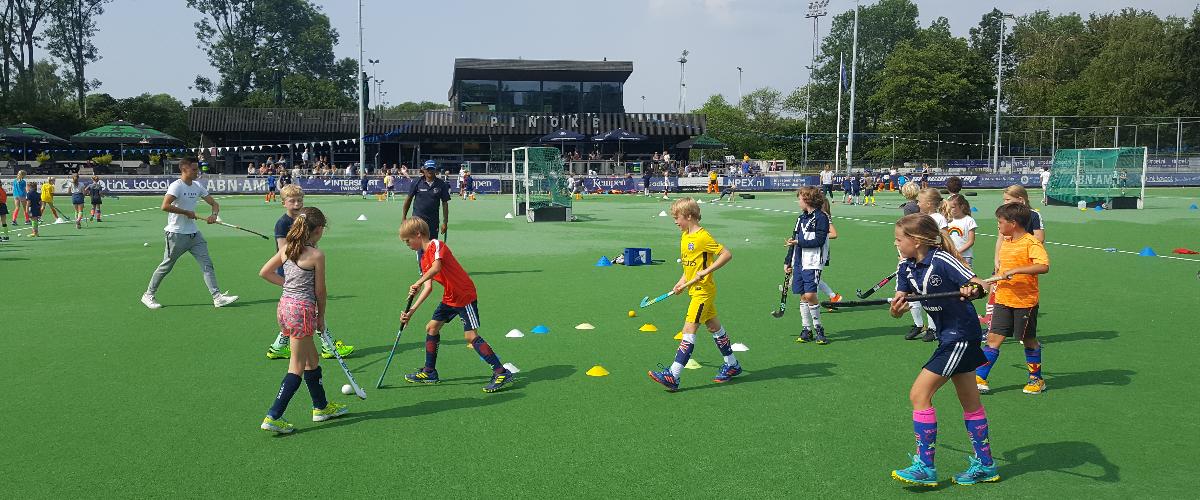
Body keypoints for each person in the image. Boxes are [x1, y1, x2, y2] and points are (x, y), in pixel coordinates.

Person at [888, 214, 997, 487]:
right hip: (948, 336)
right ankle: (986, 465)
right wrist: (895, 310)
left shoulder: (942, 259)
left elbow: (981, 284)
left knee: (919, 394)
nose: (896, 244)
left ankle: (925, 467)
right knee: (970, 402)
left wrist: (973, 290)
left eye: (899, 239)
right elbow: (899, 307)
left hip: (961, 334)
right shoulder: (906, 267)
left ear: (915, 241)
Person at [257, 206, 348, 434]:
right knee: (296, 365)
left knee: (311, 359)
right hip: (303, 311)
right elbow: (320, 292)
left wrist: (289, 286)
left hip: (284, 307)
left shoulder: (287, 248)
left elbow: (265, 272)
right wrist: (321, 318)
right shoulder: (316, 255)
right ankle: (273, 415)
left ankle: (321, 407)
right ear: (317, 230)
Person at [398, 217, 514, 393]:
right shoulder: (422, 259)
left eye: (408, 240)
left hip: (464, 294)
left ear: (418, 234)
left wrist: (418, 282)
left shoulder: (436, 245)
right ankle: (430, 372)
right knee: (431, 328)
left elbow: (436, 268)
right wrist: (411, 311)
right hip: (450, 296)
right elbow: (428, 288)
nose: (407, 244)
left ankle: (501, 372)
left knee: (470, 336)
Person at [647, 198, 742, 391]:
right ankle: (732, 364)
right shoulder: (685, 236)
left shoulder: (702, 236)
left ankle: (673, 374)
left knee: (689, 330)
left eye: (677, 217)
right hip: (693, 289)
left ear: (689, 216)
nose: (675, 221)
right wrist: (682, 282)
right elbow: (689, 265)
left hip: (703, 292)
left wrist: (707, 271)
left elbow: (726, 254)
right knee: (714, 327)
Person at [266, 185, 353, 360]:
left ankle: (279, 346)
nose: (297, 204)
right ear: (284, 203)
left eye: (300, 200)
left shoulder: (304, 219)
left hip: (302, 269)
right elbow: (284, 250)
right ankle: (328, 345)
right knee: (309, 309)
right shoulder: (283, 223)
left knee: (296, 312)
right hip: (293, 272)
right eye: (293, 201)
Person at [140, 157, 239, 310]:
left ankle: (217, 297)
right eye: (194, 169)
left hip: (194, 235)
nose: (197, 171)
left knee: (207, 265)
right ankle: (148, 295)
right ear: (184, 169)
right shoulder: (176, 186)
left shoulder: (197, 186)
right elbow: (164, 206)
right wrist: (186, 212)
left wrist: (213, 214)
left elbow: (214, 203)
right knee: (166, 266)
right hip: (176, 235)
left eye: (197, 169)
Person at [976, 202, 1050, 396]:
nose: (998, 226)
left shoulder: (1031, 242)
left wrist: (1016, 271)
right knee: (993, 339)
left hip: (1025, 302)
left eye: (1000, 222)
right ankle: (980, 376)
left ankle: (1036, 379)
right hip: (1002, 299)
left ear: (1013, 223)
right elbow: (1001, 271)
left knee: (1028, 340)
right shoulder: (1006, 242)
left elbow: (1043, 266)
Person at [981, 185, 1045, 326]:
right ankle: (990, 321)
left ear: (1020, 200)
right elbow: (1000, 238)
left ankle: (1024, 326)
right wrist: (996, 258)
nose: (1004, 203)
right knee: (995, 287)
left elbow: (1039, 238)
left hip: (1022, 261)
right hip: (1006, 259)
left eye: (1007, 199)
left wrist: (1019, 245)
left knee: (1022, 290)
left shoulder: (1033, 215)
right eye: (1004, 199)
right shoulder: (1005, 216)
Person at [785, 186, 831, 344]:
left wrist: (799, 242)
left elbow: (819, 240)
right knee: (803, 296)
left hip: (813, 262)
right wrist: (787, 260)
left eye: (800, 198)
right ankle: (806, 329)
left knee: (811, 295)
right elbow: (793, 240)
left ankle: (819, 327)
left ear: (808, 200)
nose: (798, 201)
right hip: (798, 261)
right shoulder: (800, 218)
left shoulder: (822, 218)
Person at [905, 188, 949, 342]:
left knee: (929, 294)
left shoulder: (938, 218)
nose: (917, 203)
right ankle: (918, 324)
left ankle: (933, 328)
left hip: (930, 262)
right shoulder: (922, 217)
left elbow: (944, 239)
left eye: (919, 201)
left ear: (929, 204)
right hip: (916, 259)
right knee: (913, 292)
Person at [401, 160, 451, 242]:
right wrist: (404, 217)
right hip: (418, 221)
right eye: (427, 169)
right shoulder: (417, 182)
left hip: (433, 221)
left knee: (432, 246)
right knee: (420, 246)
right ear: (423, 170)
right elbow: (408, 199)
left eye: (432, 169)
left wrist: (445, 222)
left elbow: (445, 204)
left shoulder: (441, 184)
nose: (429, 171)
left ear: (435, 170)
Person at [943, 195, 977, 267]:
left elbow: (971, 241)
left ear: (961, 207)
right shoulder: (947, 221)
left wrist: (957, 252)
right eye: (949, 207)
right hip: (950, 256)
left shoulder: (969, 220)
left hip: (965, 256)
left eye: (953, 207)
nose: (949, 209)